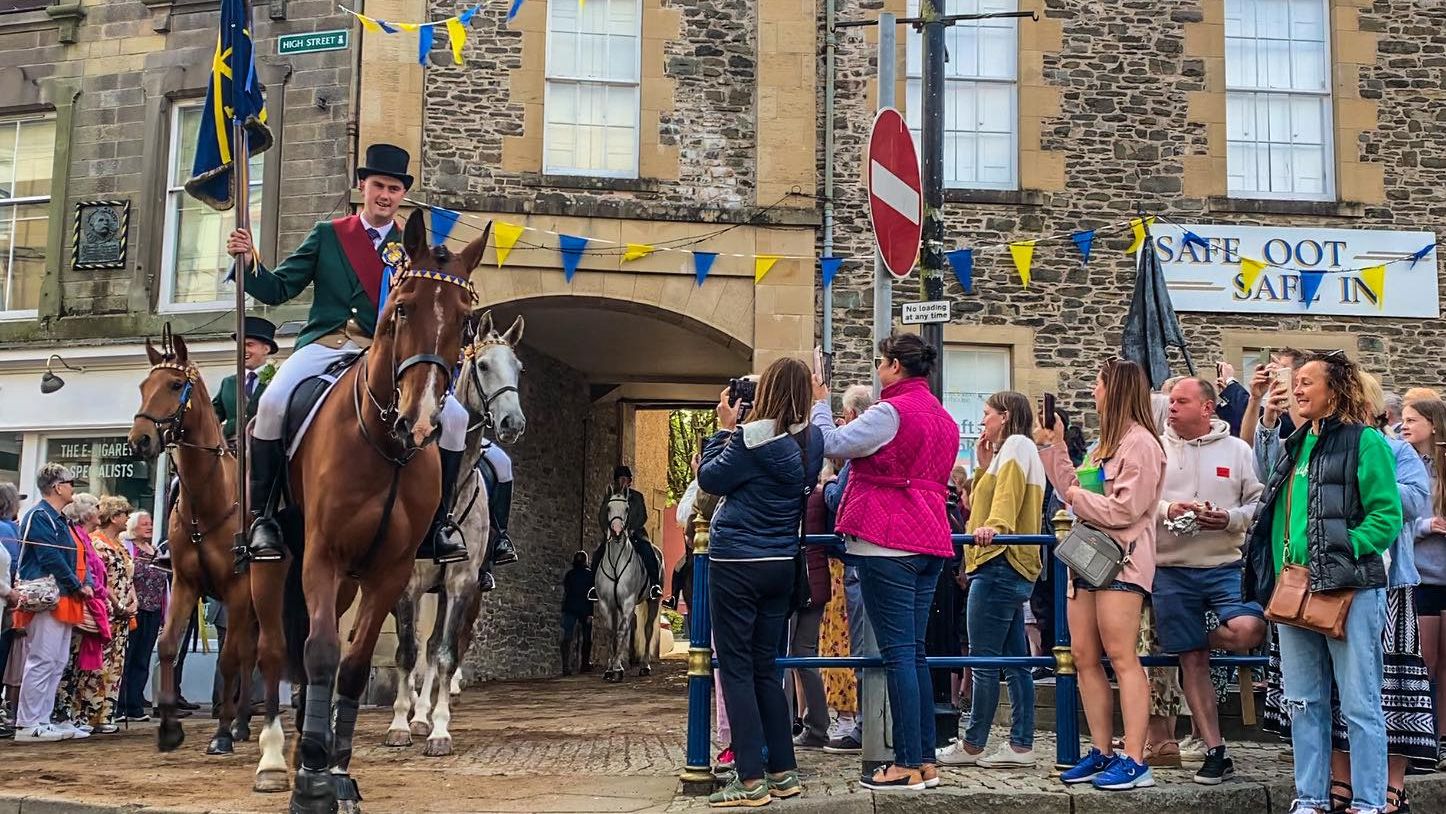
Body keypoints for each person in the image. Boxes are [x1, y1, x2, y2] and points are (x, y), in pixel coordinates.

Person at [226, 143, 469, 565]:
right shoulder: (330, 235)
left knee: (456, 418)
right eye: (378, 185)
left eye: (394, 189)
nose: (385, 196)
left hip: (387, 354)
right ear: (363, 186)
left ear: (401, 195)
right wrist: (248, 264)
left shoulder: (412, 248)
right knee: (271, 403)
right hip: (328, 343)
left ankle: (439, 523)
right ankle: (262, 516)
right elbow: (279, 288)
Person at [1242, 352, 1400, 814]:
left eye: (1308, 381)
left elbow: (1386, 515)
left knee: (1360, 702)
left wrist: (1343, 546)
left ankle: (1370, 801)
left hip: (1349, 588)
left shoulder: (1365, 441)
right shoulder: (1295, 443)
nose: (1298, 388)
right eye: (1298, 381)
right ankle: (1310, 797)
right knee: (1304, 702)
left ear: (1336, 389)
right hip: (1292, 587)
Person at [811, 334, 958, 792]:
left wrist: (821, 402)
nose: (877, 369)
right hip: (931, 538)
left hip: (887, 540)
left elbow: (832, 443)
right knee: (913, 653)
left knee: (897, 655)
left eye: (880, 361)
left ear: (895, 366)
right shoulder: (945, 418)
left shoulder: (889, 412)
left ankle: (908, 763)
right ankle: (925, 759)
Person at [699, 356, 823, 807]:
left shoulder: (749, 440)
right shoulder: (810, 442)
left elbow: (709, 477)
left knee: (735, 669)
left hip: (737, 562)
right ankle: (783, 772)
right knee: (766, 669)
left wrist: (725, 427)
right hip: (781, 564)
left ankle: (749, 778)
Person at [1038, 358, 1166, 791]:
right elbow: (1071, 489)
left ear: (1117, 390)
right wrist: (1054, 447)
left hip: (1123, 561)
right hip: (1089, 559)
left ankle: (1135, 756)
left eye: (1098, 383)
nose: (1093, 390)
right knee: (1085, 656)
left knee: (1122, 656)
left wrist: (1076, 496)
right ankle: (1102, 750)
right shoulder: (1103, 445)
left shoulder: (1142, 445)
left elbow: (1126, 508)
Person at [1151, 377, 1265, 784]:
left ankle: (1188, 638)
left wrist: (1229, 518)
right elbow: (1139, 500)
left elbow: (1259, 503)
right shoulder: (1157, 448)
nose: (1172, 407)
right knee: (1192, 660)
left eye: (1181, 401)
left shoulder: (1238, 450)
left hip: (1224, 565)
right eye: (1171, 401)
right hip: (1169, 567)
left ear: (1208, 407)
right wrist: (1167, 509)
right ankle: (1215, 750)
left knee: (1248, 629)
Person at [939, 390, 1045, 768]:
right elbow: (991, 498)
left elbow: (1003, 504)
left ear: (1005, 415)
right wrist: (984, 466)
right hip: (1010, 564)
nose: (982, 421)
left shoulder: (1016, 445)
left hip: (998, 562)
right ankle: (1020, 744)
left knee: (983, 660)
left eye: (986, 414)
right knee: (1015, 660)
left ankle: (973, 744)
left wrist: (995, 527)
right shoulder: (1014, 451)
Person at [13, 464, 90, 742]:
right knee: (42, 659)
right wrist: (77, 584)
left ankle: (42, 719)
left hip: (62, 595)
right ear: (57, 487)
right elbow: (50, 557)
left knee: (56, 661)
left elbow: (73, 555)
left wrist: (82, 584)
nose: (73, 488)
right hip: (47, 594)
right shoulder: (40, 515)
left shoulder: (58, 518)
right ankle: (27, 722)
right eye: (70, 483)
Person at [822, 383, 874, 755]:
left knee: (860, 642)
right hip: (861, 556)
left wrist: (825, 485)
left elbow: (839, 497)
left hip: (855, 558)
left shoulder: (858, 454)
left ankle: (862, 724)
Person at [1403, 396, 1446, 768]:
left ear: (1433, 425)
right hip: (1422, 575)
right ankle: (1423, 740)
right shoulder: (1405, 464)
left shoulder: (1441, 468)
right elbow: (1397, 518)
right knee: (1426, 660)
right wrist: (1426, 526)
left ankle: (1442, 738)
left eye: (1412, 419)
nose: (1404, 425)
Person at [787, 461, 834, 750]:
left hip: (792, 582)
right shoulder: (821, 495)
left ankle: (787, 725)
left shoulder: (788, 495)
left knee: (784, 655)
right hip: (817, 581)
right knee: (804, 654)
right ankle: (817, 725)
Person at [54, 492, 110, 736]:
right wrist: (98, 591)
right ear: (85, 513)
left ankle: (72, 715)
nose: (100, 512)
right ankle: (61, 714)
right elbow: (82, 568)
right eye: (96, 507)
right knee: (67, 662)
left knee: (77, 666)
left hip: (91, 601)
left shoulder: (84, 537)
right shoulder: (75, 535)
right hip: (79, 602)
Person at [91, 496, 136, 734]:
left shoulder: (121, 544)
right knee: (99, 662)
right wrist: (117, 603)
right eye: (124, 514)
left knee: (116, 664)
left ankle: (107, 713)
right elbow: (102, 578)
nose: (127, 518)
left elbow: (128, 576)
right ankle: (91, 714)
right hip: (107, 609)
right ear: (114, 517)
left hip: (123, 612)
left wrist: (133, 599)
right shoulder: (98, 543)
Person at [118, 511, 164, 722]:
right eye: (144, 524)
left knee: (143, 658)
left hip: (153, 611)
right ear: (133, 527)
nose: (149, 527)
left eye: (150, 523)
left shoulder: (156, 550)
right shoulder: (127, 549)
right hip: (133, 611)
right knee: (128, 656)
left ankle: (135, 705)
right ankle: (120, 705)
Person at [590, 466, 662, 600]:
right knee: (597, 554)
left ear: (629, 481)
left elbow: (642, 516)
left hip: (635, 534)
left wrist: (631, 529)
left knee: (648, 551)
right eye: (620, 479)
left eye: (625, 479)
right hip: (613, 535)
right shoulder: (610, 497)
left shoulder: (637, 497)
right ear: (616, 481)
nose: (622, 482)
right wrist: (607, 530)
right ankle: (593, 587)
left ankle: (654, 585)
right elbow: (602, 515)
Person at [211, 316, 277, 449]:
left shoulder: (278, 380)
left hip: (265, 450)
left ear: (266, 349)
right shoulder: (228, 383)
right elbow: (212, 417)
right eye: (241, 345)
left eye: (249, 345)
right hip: (231, 450)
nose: (243, 350)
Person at [559, 551, 593, 676]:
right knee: (586, 638)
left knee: (567, 637)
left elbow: (567, 590)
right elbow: (591, 596)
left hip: (570, 608)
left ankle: (566, 666)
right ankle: (584, 664)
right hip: (584, 609)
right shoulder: (590, 575)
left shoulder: (570, 574)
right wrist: (591, 612)